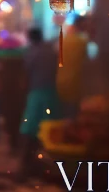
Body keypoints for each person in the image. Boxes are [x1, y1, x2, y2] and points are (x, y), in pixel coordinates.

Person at [19, 28, 59, 176]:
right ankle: (47, 166)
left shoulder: (32, 53)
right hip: (52, 93)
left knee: (30, 128)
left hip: (36, 93)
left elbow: (26, 73)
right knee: (49, 129)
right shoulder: (51, 52)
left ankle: (27, 166)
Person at [57, 16, 90, 118]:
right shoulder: (82, 42)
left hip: (61, 82)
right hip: (75, 84)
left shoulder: (64, 40)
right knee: (74, 117)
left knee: (65, 115)